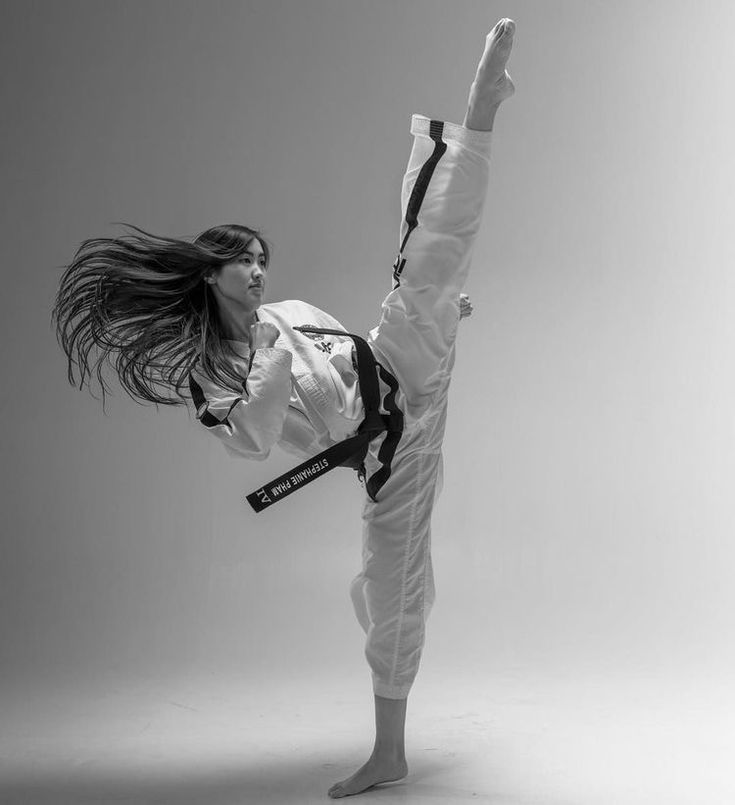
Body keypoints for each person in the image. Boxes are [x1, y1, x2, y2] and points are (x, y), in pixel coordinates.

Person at [51, 17, 516, 799]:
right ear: (211, 274)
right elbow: (254, 438)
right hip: (384, 453)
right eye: (245, 261)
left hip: (401, 363)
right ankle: (389, 753)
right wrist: (268, 350)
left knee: (428, 258)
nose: (261, 270)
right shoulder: (216, 368)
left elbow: (344, 353)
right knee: (394, 587)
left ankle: (482, 111)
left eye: (263, 259)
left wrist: (437, 315)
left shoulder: (288, 309)